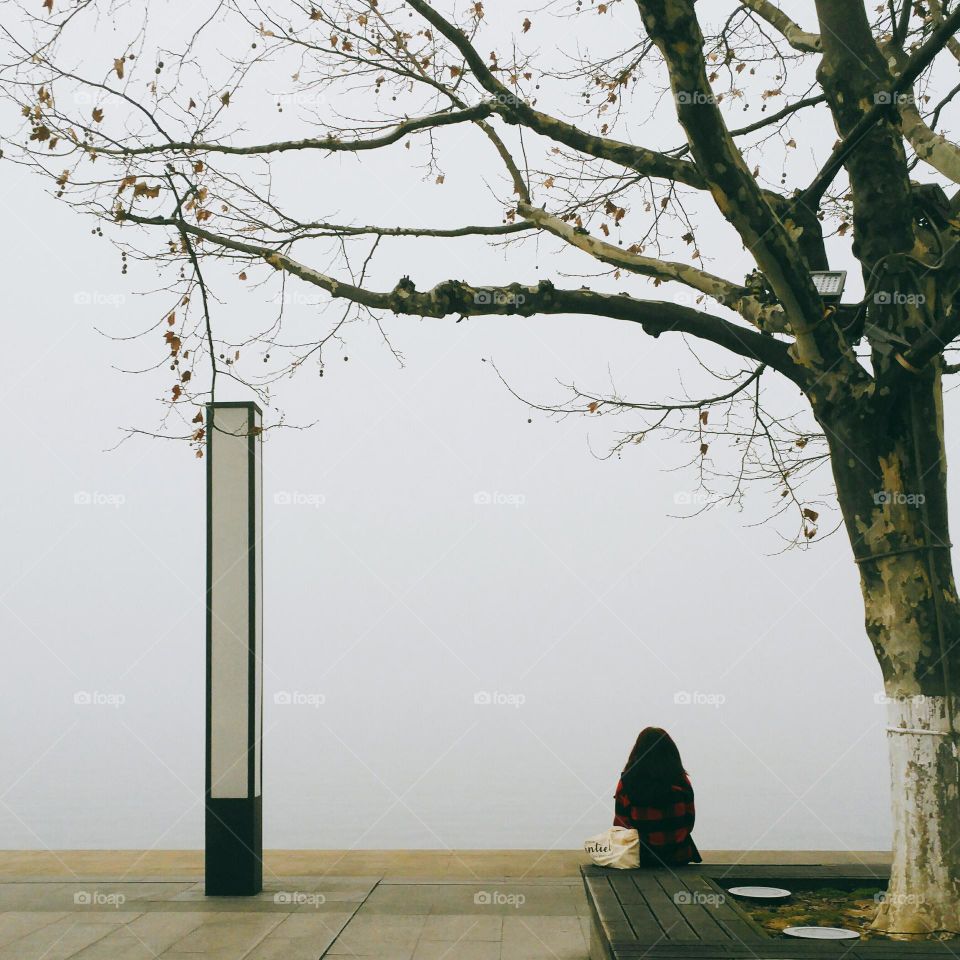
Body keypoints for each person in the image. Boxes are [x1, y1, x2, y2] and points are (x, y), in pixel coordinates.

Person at [613, 727, 702, 866]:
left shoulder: (627, 782)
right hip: (679, 855)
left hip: (641, 857)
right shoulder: (681, 780)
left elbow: (620, 826)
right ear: (670, 751)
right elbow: (689, 821)